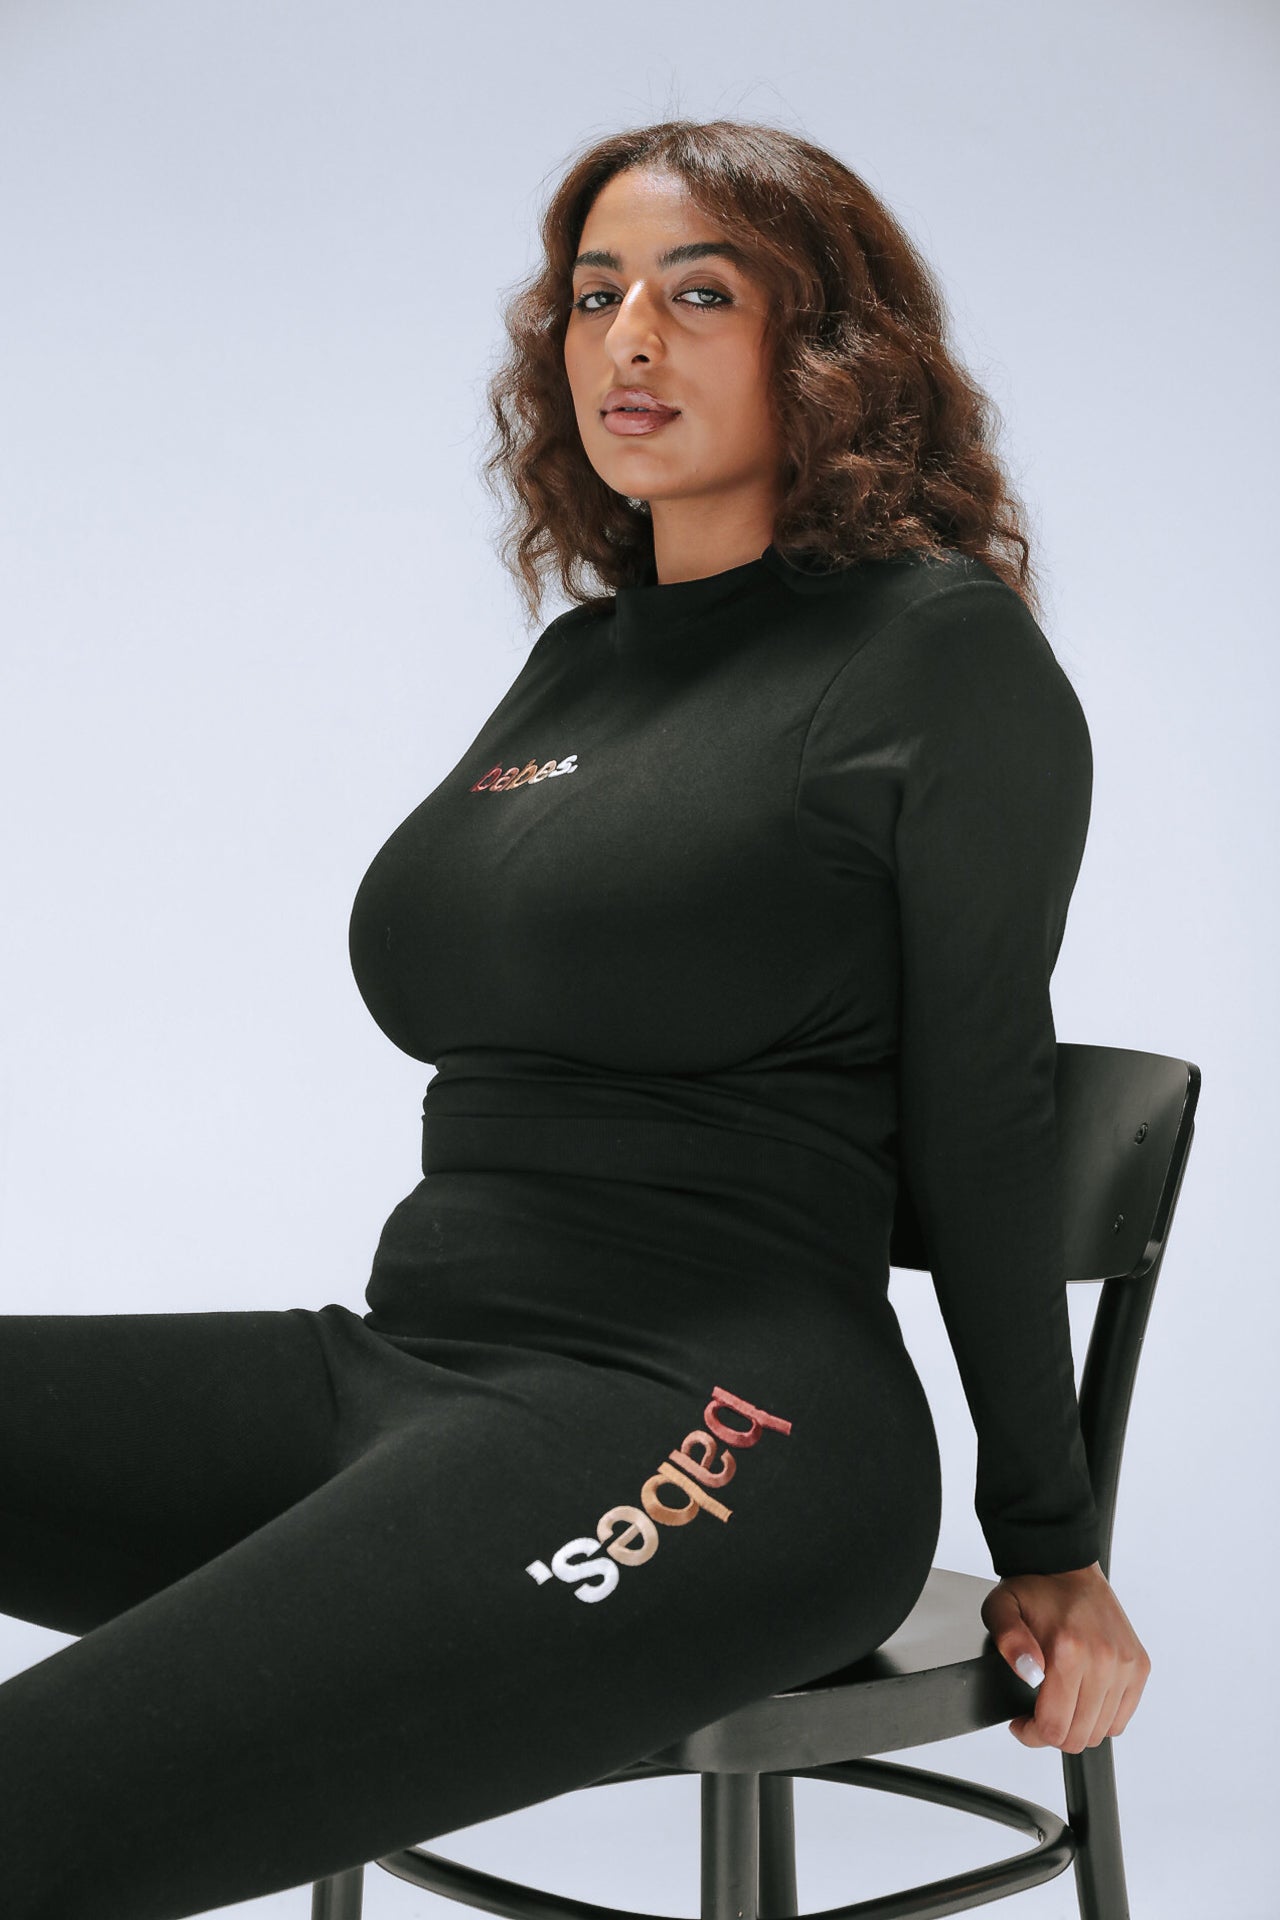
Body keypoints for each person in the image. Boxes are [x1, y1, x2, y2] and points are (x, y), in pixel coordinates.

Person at [0, 119, 1150, 1920]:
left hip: (724, 1426)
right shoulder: (581, 662)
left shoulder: (939, 654)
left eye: (702, 295)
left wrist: (1054, 1543)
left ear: (831, 348)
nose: (629, 337)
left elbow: (985, 1105)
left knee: (42, 1797)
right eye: (596, 294)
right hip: (408, 1375)